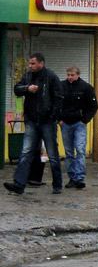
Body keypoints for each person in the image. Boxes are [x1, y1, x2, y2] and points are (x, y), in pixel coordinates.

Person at [5, 53, 64, 195]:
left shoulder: (51, 77)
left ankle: (57, 184)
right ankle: (19, 184)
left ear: (41, 64)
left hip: (47, 122)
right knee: (26, 153)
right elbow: (17, 89)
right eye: (29, 63)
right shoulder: (28, 76)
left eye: (33, 63)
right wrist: (27, 88)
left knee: (52, 154)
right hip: (32, 121)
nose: (30, 66)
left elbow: (58, 97)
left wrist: (52, 117)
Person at [59, 65, 98, 189]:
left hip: (79, 123)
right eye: (68, 75)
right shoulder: (61, 86)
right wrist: (59, 119)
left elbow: (93, 106)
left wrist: (84, 120)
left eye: (72, 75)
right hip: (65, 123)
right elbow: (55, 103)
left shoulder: (85, 88)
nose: (70, 77)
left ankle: (80, 177)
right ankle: (72, 177)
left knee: (80, 150)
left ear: (78, 75)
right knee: (69, 152)